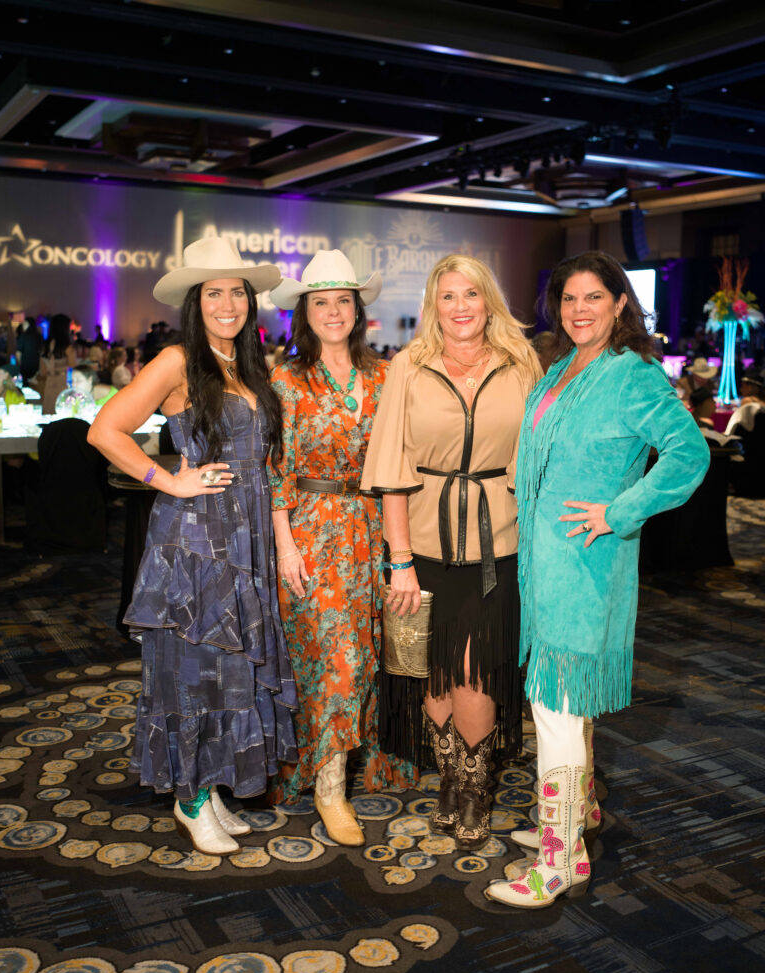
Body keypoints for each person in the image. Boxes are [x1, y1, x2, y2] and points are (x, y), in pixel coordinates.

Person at [484, 251, 710, 909]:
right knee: (564, 709)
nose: (580, 310)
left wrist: (619, 510)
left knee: (555, 711)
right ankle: (574, 819)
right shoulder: (560, 370)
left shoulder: (634, 375)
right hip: (541, 562)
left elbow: (689, 454)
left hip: (585, 566)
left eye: (593, 298)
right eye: (569, 299)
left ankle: (559, 863)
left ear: (619, 304)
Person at [88, 236, 297, 857]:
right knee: (195, 670)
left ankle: (212, 786)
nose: (228, 302)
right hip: (199, 538)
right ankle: (190, 798)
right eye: (214, 292)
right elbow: (106, 429)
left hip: (247, 535)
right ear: (194, 302)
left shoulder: (246, 365)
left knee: (232, 666)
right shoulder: (178, 360)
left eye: (237, 291)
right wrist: (169, 480)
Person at [361, 253, 541, 852]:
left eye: (471, 294)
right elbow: (390, 469)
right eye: (448, 296)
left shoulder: (522, 365)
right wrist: (401, 560)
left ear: (489, 299)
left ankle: (474, 789)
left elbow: (539, 456)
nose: (461, 306)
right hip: (427, 542)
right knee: (435, 669)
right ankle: (452, 784)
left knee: (478, 668)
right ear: (432, 307)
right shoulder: (407, 368)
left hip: (502, 541)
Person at [267, 250, 417, 846]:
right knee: (333, 661)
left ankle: (367, 761)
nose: (333, 311)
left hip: (377, 528)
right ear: (306, 312)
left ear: (359, 310)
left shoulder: (386, 375)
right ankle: (329, 788)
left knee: (374, 652)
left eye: (343, 301)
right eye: (321, 302)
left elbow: (403, 458)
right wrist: (284, 546)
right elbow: (275, 470)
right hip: (310, 529)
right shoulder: (286, 379)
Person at [35, 314, 77, 413]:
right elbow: (73, 368)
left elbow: (43, 372)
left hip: (49, 384)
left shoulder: (44, 347)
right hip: (63, 384)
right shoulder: (68, 348)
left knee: (49, 412)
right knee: (63, 412)